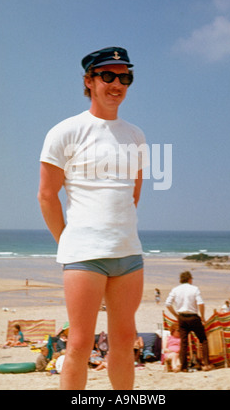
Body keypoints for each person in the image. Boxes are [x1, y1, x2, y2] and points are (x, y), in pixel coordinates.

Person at [38, 47, 148, 390]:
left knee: (124, 343)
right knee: (80, 344)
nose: (117, 84)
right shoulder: (65, 132)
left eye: (124, 77)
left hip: (129, 254)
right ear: (89, 81)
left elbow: (132, 193)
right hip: (85, 256)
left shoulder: (136, 135)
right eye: (108, 76)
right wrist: (68, 243)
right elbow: (46, 195)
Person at [165, 271, 213, 372]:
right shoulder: (194, 289)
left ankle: (183, 367)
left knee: (184, 342)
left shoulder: (175, 289)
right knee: (203, 340)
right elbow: (201, 303)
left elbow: (168, 304)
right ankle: (206, 364)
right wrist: (203, 316)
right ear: (189, 279)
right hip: (193, 316)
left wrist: (176, 315)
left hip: (182, 317)